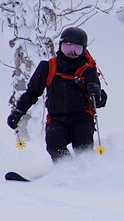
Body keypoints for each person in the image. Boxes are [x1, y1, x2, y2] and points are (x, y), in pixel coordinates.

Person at [6, 27, 105, 162]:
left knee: (82, 147)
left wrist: (96, 93)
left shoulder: (88, 71)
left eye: (76, 49)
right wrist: (18, 112)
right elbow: (32, 93)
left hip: (81, 118)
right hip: (56, 119)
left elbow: (99, 101)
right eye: (67, 48)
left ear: (83, 50)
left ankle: (87, 173)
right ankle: (66, 172)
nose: (72, 53)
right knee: (54, 145)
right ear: (60, 47)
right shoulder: (48, 68)